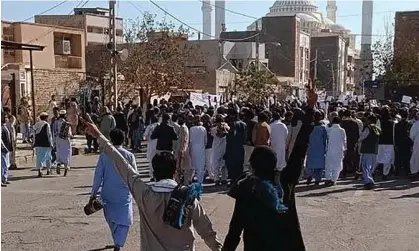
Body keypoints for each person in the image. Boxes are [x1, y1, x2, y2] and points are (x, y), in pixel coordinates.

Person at [85, 123, 222, 251]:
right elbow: (207, 232)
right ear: (174, 172)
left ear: (154, 174)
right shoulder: (188, 197)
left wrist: (99, 136)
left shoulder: (144, 194)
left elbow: (122, 164)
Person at [222, 146, 288, 251]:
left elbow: (236, 226)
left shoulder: (247, 187)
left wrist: (227, 248)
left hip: (253, 244)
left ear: (253, 164)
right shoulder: (282, 185)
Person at [90, 129, 137, 251]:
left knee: (111, 218)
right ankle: (118, 242)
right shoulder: (129, 155)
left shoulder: (104, 155)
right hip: (124, 193)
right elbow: (134, 175)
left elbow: (98, 175)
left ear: (110, 140)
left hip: (108, 192)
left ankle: (117, 241)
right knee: (124, 219)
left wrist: (93, 193)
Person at [359, 115, 381, 189]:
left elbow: (362, 137)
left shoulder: (368, 128)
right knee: (371, 166)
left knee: (365, 166)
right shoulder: (378, 128)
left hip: (367, 149)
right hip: (374, 149)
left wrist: (358, 139)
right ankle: (370, 180)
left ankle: (368, 182)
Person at [225, 108, 247, 185]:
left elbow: (232, 135)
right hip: (241, 146)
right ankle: (239, 180)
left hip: (233, 147)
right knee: (239, 164)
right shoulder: (244, 124)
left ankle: (234, 180)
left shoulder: (234, 124)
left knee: (232, 165)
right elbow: (245, 136)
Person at [305, 110, 327, 185]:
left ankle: (309, 177)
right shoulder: (323, 128)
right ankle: (317, 179)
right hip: (320, 148)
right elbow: (325, 139)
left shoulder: (310, 126)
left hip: (311, 148)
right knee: (319, 165)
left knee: (310, 164)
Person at [325, 116, 347, 186]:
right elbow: (344, 141)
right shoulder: (342, 130)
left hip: (330, 150)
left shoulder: (329, 129)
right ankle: (333, 180)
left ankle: (328, 178)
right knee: (337, 165)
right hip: (339, 150)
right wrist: (345, 149)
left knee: (328, 165)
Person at [376, 107, 396, 180]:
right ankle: (385, 174)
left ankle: (372, 172)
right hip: (390, 143)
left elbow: (377, 133)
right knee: (387, 159)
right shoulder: (393, 122)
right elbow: (393, 134)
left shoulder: (379, 121)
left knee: (378, 158)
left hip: (381, 142)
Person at [340, 109, 360, 177]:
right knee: (353, 157)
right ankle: (355, 171)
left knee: (344, 158)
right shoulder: (355, 122)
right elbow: (357, 134)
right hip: (352, 142)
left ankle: (344, 172)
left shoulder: (342, 123)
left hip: (344, 142)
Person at [33, 112, 53, 177]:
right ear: (46, 118)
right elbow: (49, 135)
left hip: (38, 143)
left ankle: (39, 170)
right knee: (48, 157)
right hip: (46, 143)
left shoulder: (36, 124)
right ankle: (48, 170)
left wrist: (34, 143)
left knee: (39, 157)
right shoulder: (47, 125)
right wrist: (51, 143)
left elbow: (33, 134)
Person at [211, 115, 229, 186]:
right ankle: (221, 179)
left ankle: (218, 179)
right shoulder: (226, 128)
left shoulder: (213, 129)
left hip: (218, 148)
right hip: (222, 148)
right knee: (222, 165)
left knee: (218, 165)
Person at [394, 108, 413, 176]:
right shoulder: (410, 124)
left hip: (399, 143)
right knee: (407, 157)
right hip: (407, 143)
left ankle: (397, 171)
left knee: (398, 157)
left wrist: (395, 144)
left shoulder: (397, 124)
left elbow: (395, 135)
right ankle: (407, 170)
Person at [189, 115, 207, 183]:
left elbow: (190, 140)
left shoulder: (191, 129)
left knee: (193, 166)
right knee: (200, 166)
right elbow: (205, 141)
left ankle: (191, 180)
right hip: (201, 149)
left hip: (193, 149)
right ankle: (200, 181)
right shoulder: (203, 129)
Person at [54, 110, 72, 176]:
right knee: (66, 153)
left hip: (58, 139)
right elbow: (69, 134)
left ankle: (58, 164)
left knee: (59, 152)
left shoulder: (56, 122)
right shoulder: (67, 123)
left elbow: (54, 132)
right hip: (65, 140)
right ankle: (66, 169)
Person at [174, 113, 191, 185]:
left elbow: (184, 141)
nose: (178, 120)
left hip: (182, 152)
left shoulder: (184, 128)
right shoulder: (181, 128)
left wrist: (182, 152)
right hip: (179, 151)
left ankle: (184, 184)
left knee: (183, 169)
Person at [144, 116, 159, 180]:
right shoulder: (159, 125)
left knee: (151, 160)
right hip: (158, 145)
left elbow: (145, 135)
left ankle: (152, 175)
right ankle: (158, 174)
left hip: (151, 145)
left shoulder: (149, 127)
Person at [2, 112, 13, 187]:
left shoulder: (5, 126)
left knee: (7, 164)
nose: (7, 119)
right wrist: (4, 147)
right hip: (3, 149)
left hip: (7, 148)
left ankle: (5, 178)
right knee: (3, 165)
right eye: (5, 117)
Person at [202, 114, 214, 182]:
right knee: (210, 161)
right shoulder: (211, 126)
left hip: (207, 146)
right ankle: (211, 174)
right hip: (211, 145)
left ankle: (211, 175)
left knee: (208, 161)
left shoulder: (205, 127)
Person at [409, 111, 419, 178]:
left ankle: (414, 172)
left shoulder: (416, 124)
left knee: (416, 157)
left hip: (417, 142)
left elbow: (412, 135)